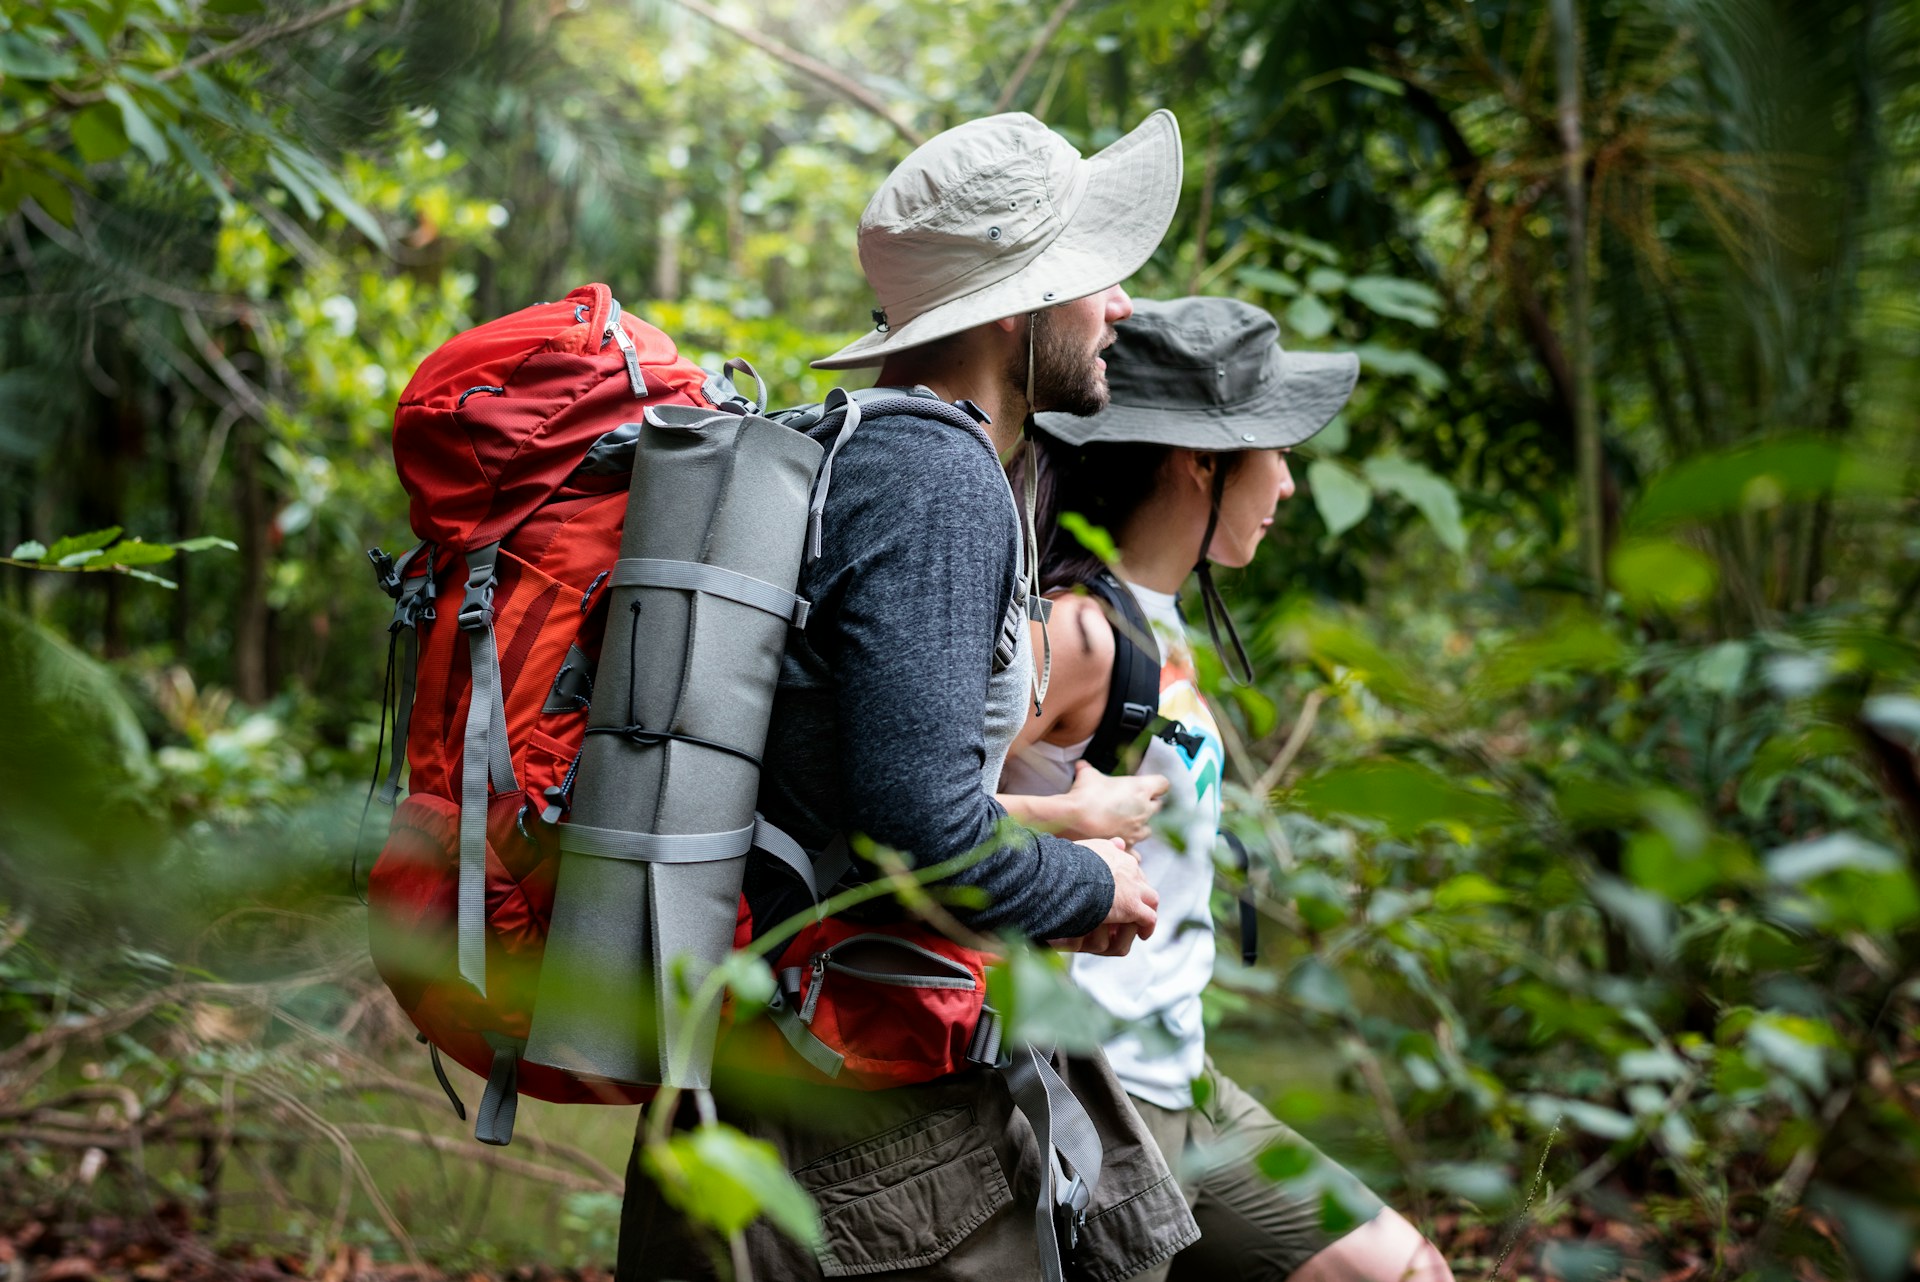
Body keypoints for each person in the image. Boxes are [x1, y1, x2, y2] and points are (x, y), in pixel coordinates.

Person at [617, 111, 1204, 1281]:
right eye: (1091, 277)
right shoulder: (937, 476)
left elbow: (860, 787)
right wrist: (1090, 881)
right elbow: (918, 834)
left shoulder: (873, 451)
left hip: (799, 1076)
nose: (1120, 306)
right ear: (1015, 306)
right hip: (864, 1138)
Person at [999, 296, 1454, 1281]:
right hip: (1100, 1101)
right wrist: (1069, 818)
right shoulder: (1077, 633)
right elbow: (914, 809)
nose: (1287, 481)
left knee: (1410, 1271)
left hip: (1189, 1080)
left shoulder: (1153, 626)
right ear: (1198, 461)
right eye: (1276, 450)